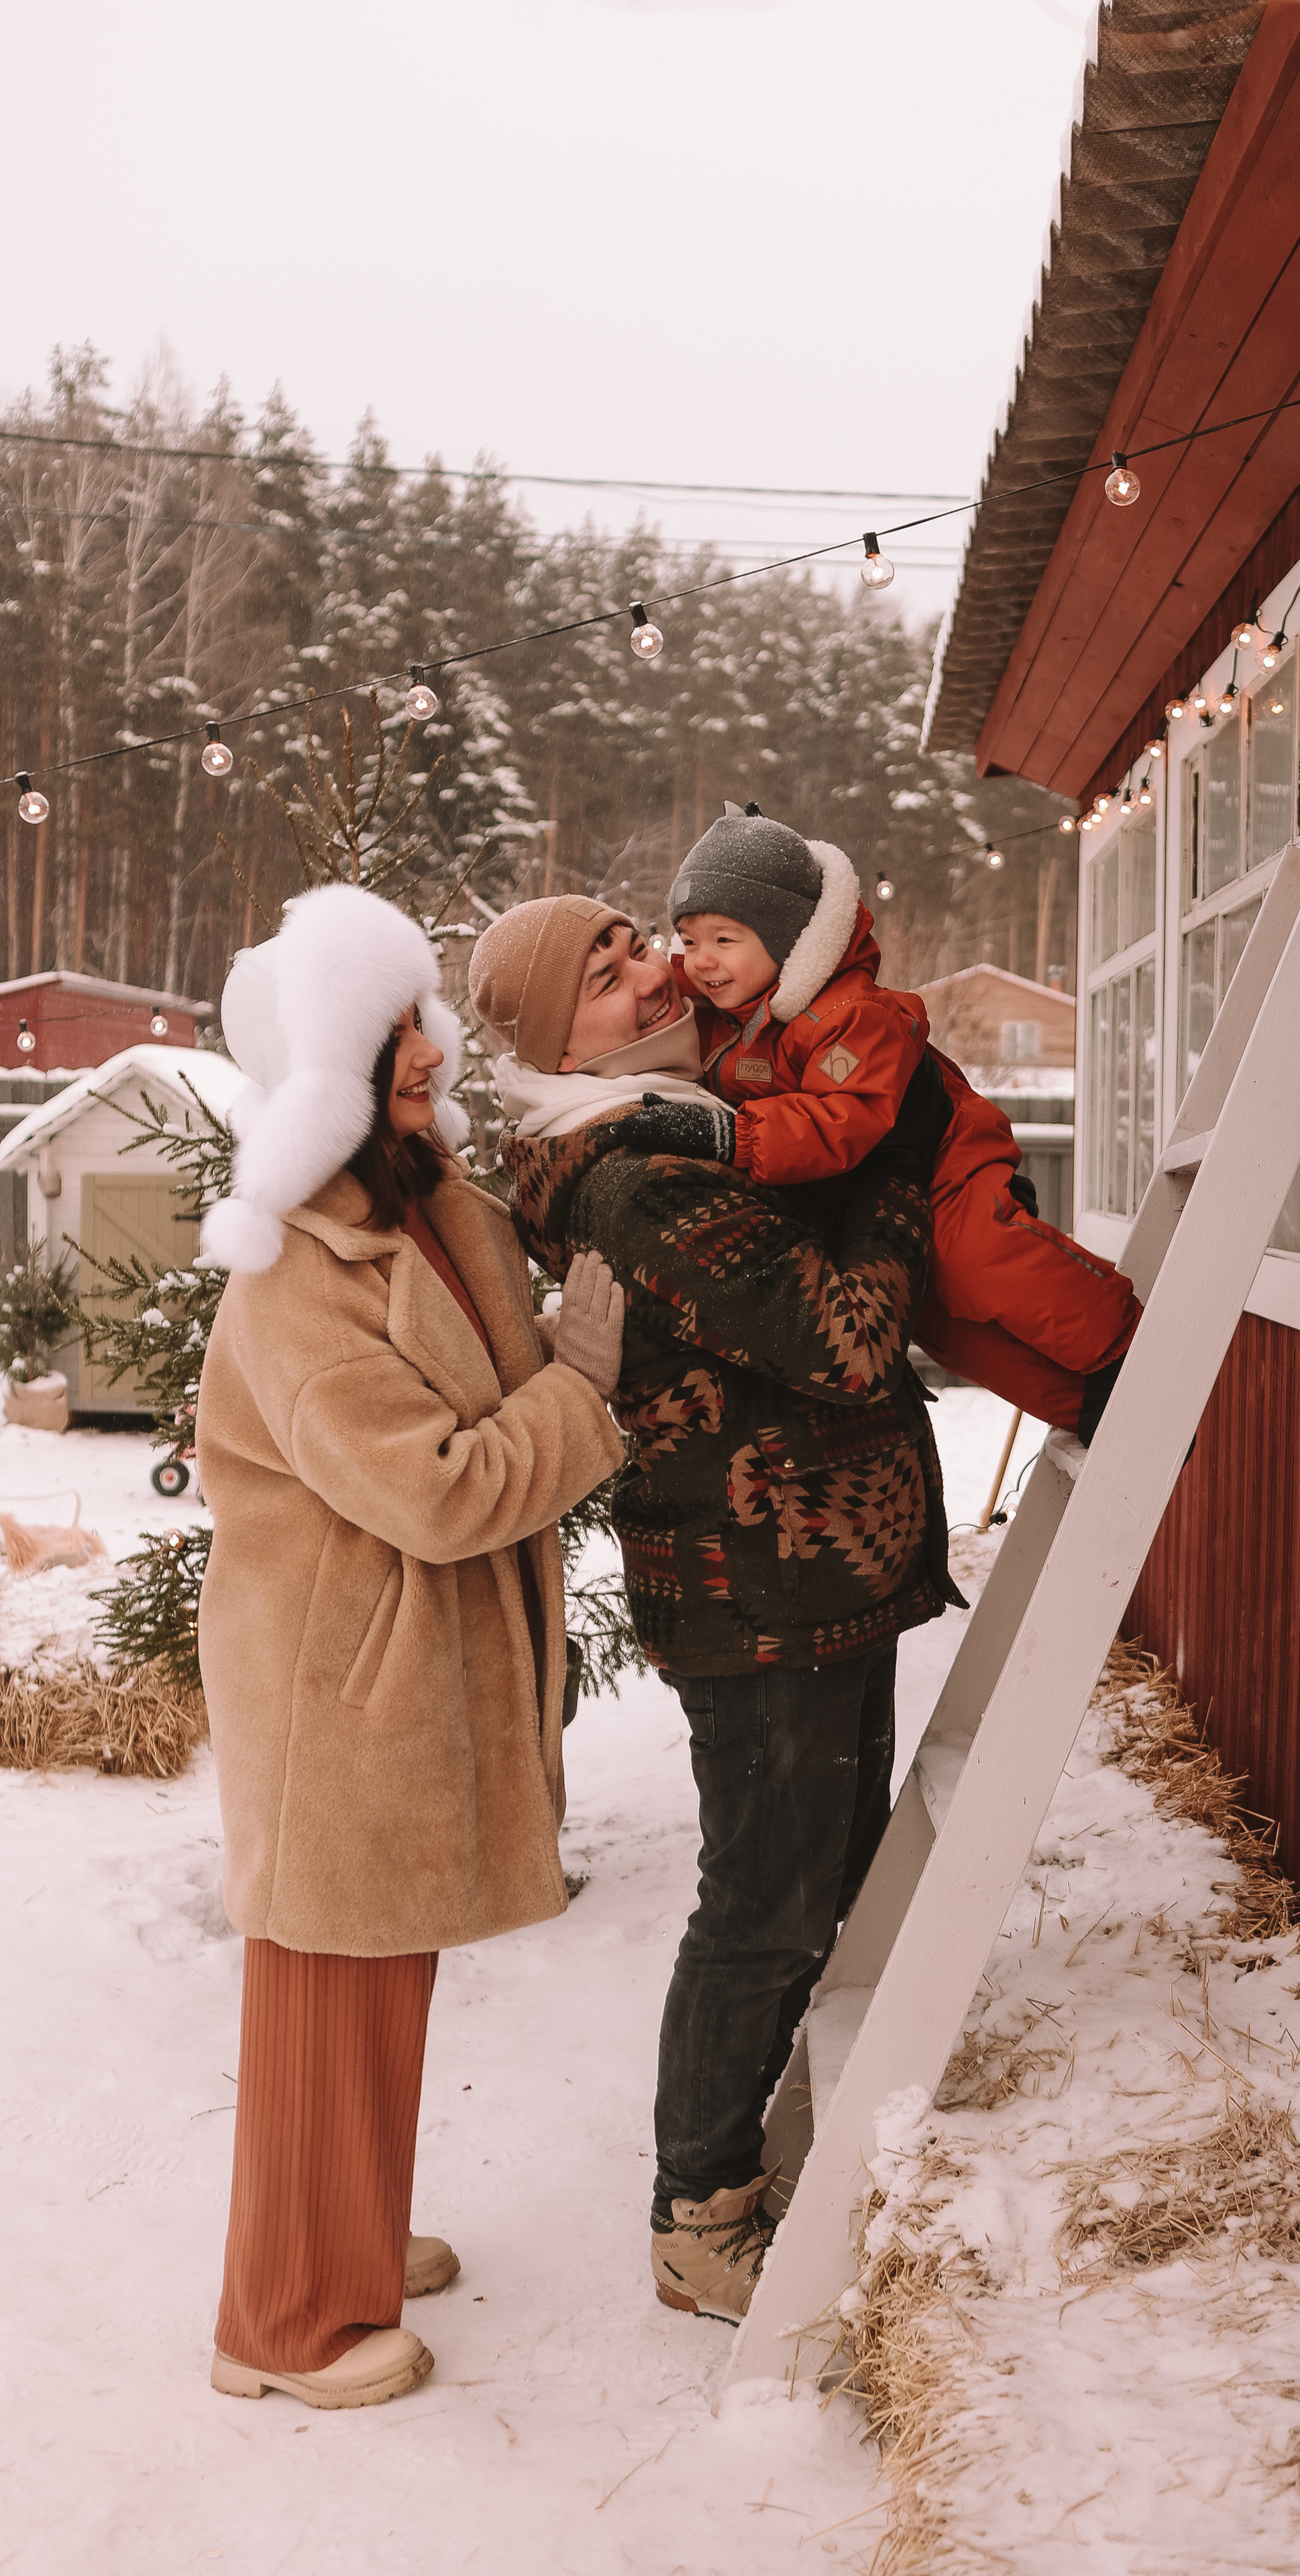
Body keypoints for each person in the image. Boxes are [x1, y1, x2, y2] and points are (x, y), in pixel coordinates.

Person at [468, 892, 958, 2324]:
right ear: (556, 1047)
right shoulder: (636, 1178)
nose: (653, 973)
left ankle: (777, 2144)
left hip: (804, 1578)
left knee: (821, 1875)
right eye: (606, 976)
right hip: (760, 1590)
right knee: (766, 1904)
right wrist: (898, 1163)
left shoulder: (677, 1124)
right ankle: (699, 2215)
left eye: (637, 943)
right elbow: (846, 1343)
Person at [195, 883, 627, 2410]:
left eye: (424, 1030)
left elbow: (481, 1391)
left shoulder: (422, 1205)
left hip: (394, 1675)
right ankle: (285, 2322)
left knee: (382, 1982)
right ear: (328, 1077)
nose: (433, 1059)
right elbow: (437, 1490)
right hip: (336, 1689)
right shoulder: (292, 1279)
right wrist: (582, 1389)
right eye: (396, 1047)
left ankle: (353, 2234)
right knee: (325, 1996)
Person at [614, 804, 1142, 1442]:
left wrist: (735, 1137)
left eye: (725, 940)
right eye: (689, 940)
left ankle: (1128, 1349)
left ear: (787, 939)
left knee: (976, 1262)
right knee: (935, 1322)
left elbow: (845, 1116)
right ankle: (1085, 1408)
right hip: (871, 1195)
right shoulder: (718, 1009)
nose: (701, 961)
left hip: (945, 1162)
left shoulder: (850, 1014)